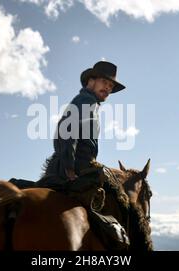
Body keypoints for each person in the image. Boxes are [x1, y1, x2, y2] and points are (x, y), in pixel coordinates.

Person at [38, 61, 129, 249]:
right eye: (105, 82)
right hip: (76, 166)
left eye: (111, 86)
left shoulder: (90, 103)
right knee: (119, 200)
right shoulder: (86, 101)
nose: (108, 88)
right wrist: (70, 168)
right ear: (90, 80)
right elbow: (66, 132)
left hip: (72, 163)